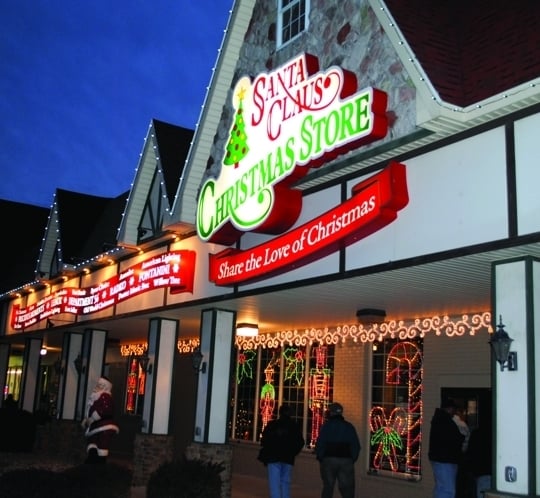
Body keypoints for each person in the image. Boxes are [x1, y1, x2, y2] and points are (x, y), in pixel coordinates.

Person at [315, 402, 361, 498]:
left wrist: (321, 457)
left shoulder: (326, 426)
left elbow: (320, 443)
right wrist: (351, 459)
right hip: (346, 460)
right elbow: (355, 445)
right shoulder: (349, 426)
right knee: (347, 489)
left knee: (328, 487)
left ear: (331, 413)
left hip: (328, 459)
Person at [259, 404, 305, 498]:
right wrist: (293, 452)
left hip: (273, 457)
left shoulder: (273, 425)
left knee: (274, 483)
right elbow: (300, 442)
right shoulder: (294, 426)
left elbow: (264, 440)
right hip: (288, 458)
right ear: (290, 413)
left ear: (280, 413)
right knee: (285, 482)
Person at [428, 398, 465, 498]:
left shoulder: (439, 420)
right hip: (445, 459)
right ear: (449, 409)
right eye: (454, 409)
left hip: (441, 459)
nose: (454, 412)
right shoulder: (445, 421)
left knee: (442, 488)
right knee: (447, 490)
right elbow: (454, 438)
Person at [81, 376, 119, 464]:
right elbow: (90, 410)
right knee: (93, 442)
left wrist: (92, 418)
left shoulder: (105, 396)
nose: (98, 386)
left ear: (106, 387)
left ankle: (100, 463)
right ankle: (92, 460)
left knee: (102, 445)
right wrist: (86, 419)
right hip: (96, 426)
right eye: (98, 384)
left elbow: (105, 410)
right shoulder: (96, 397)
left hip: (104, 426)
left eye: (101, 385)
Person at [467, 422, 492, 498]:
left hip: (480, 472)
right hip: (489, 470)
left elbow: (470, 452)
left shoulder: (476, 434)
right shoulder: (494, 434)